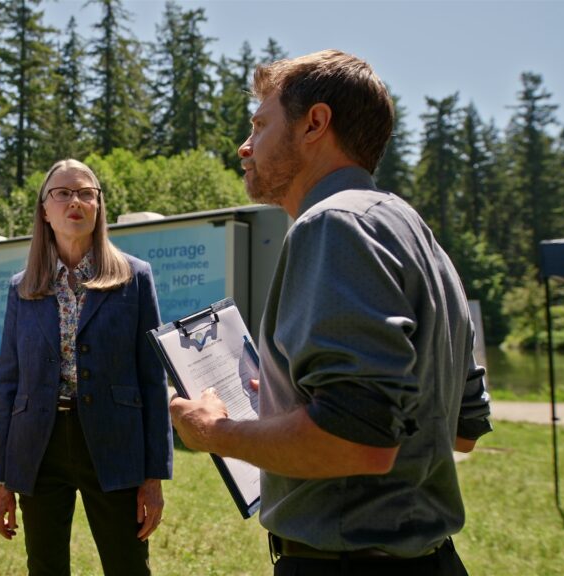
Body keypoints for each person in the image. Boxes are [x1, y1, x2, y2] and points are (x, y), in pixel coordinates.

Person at [169, 50, 492, 575]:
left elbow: (358, 443)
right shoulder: (419, 237)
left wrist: (215, 432)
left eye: (260, 123)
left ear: (315, 123)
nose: (243, 145)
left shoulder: (332, 225)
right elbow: (463, 430)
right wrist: (291, 403)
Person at [0, 159, 172, 576]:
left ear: (98, 206)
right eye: (63, 193)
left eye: (86, 192)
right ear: (44, 210)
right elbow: (9, 384)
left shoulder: (134, 277)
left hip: (113, 444)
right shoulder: (22, 288)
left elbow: (151, 378)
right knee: (45, 566)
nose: (76, 200)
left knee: (127, 565)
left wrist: (154, 476)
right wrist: (4, 478)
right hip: (39, 446)